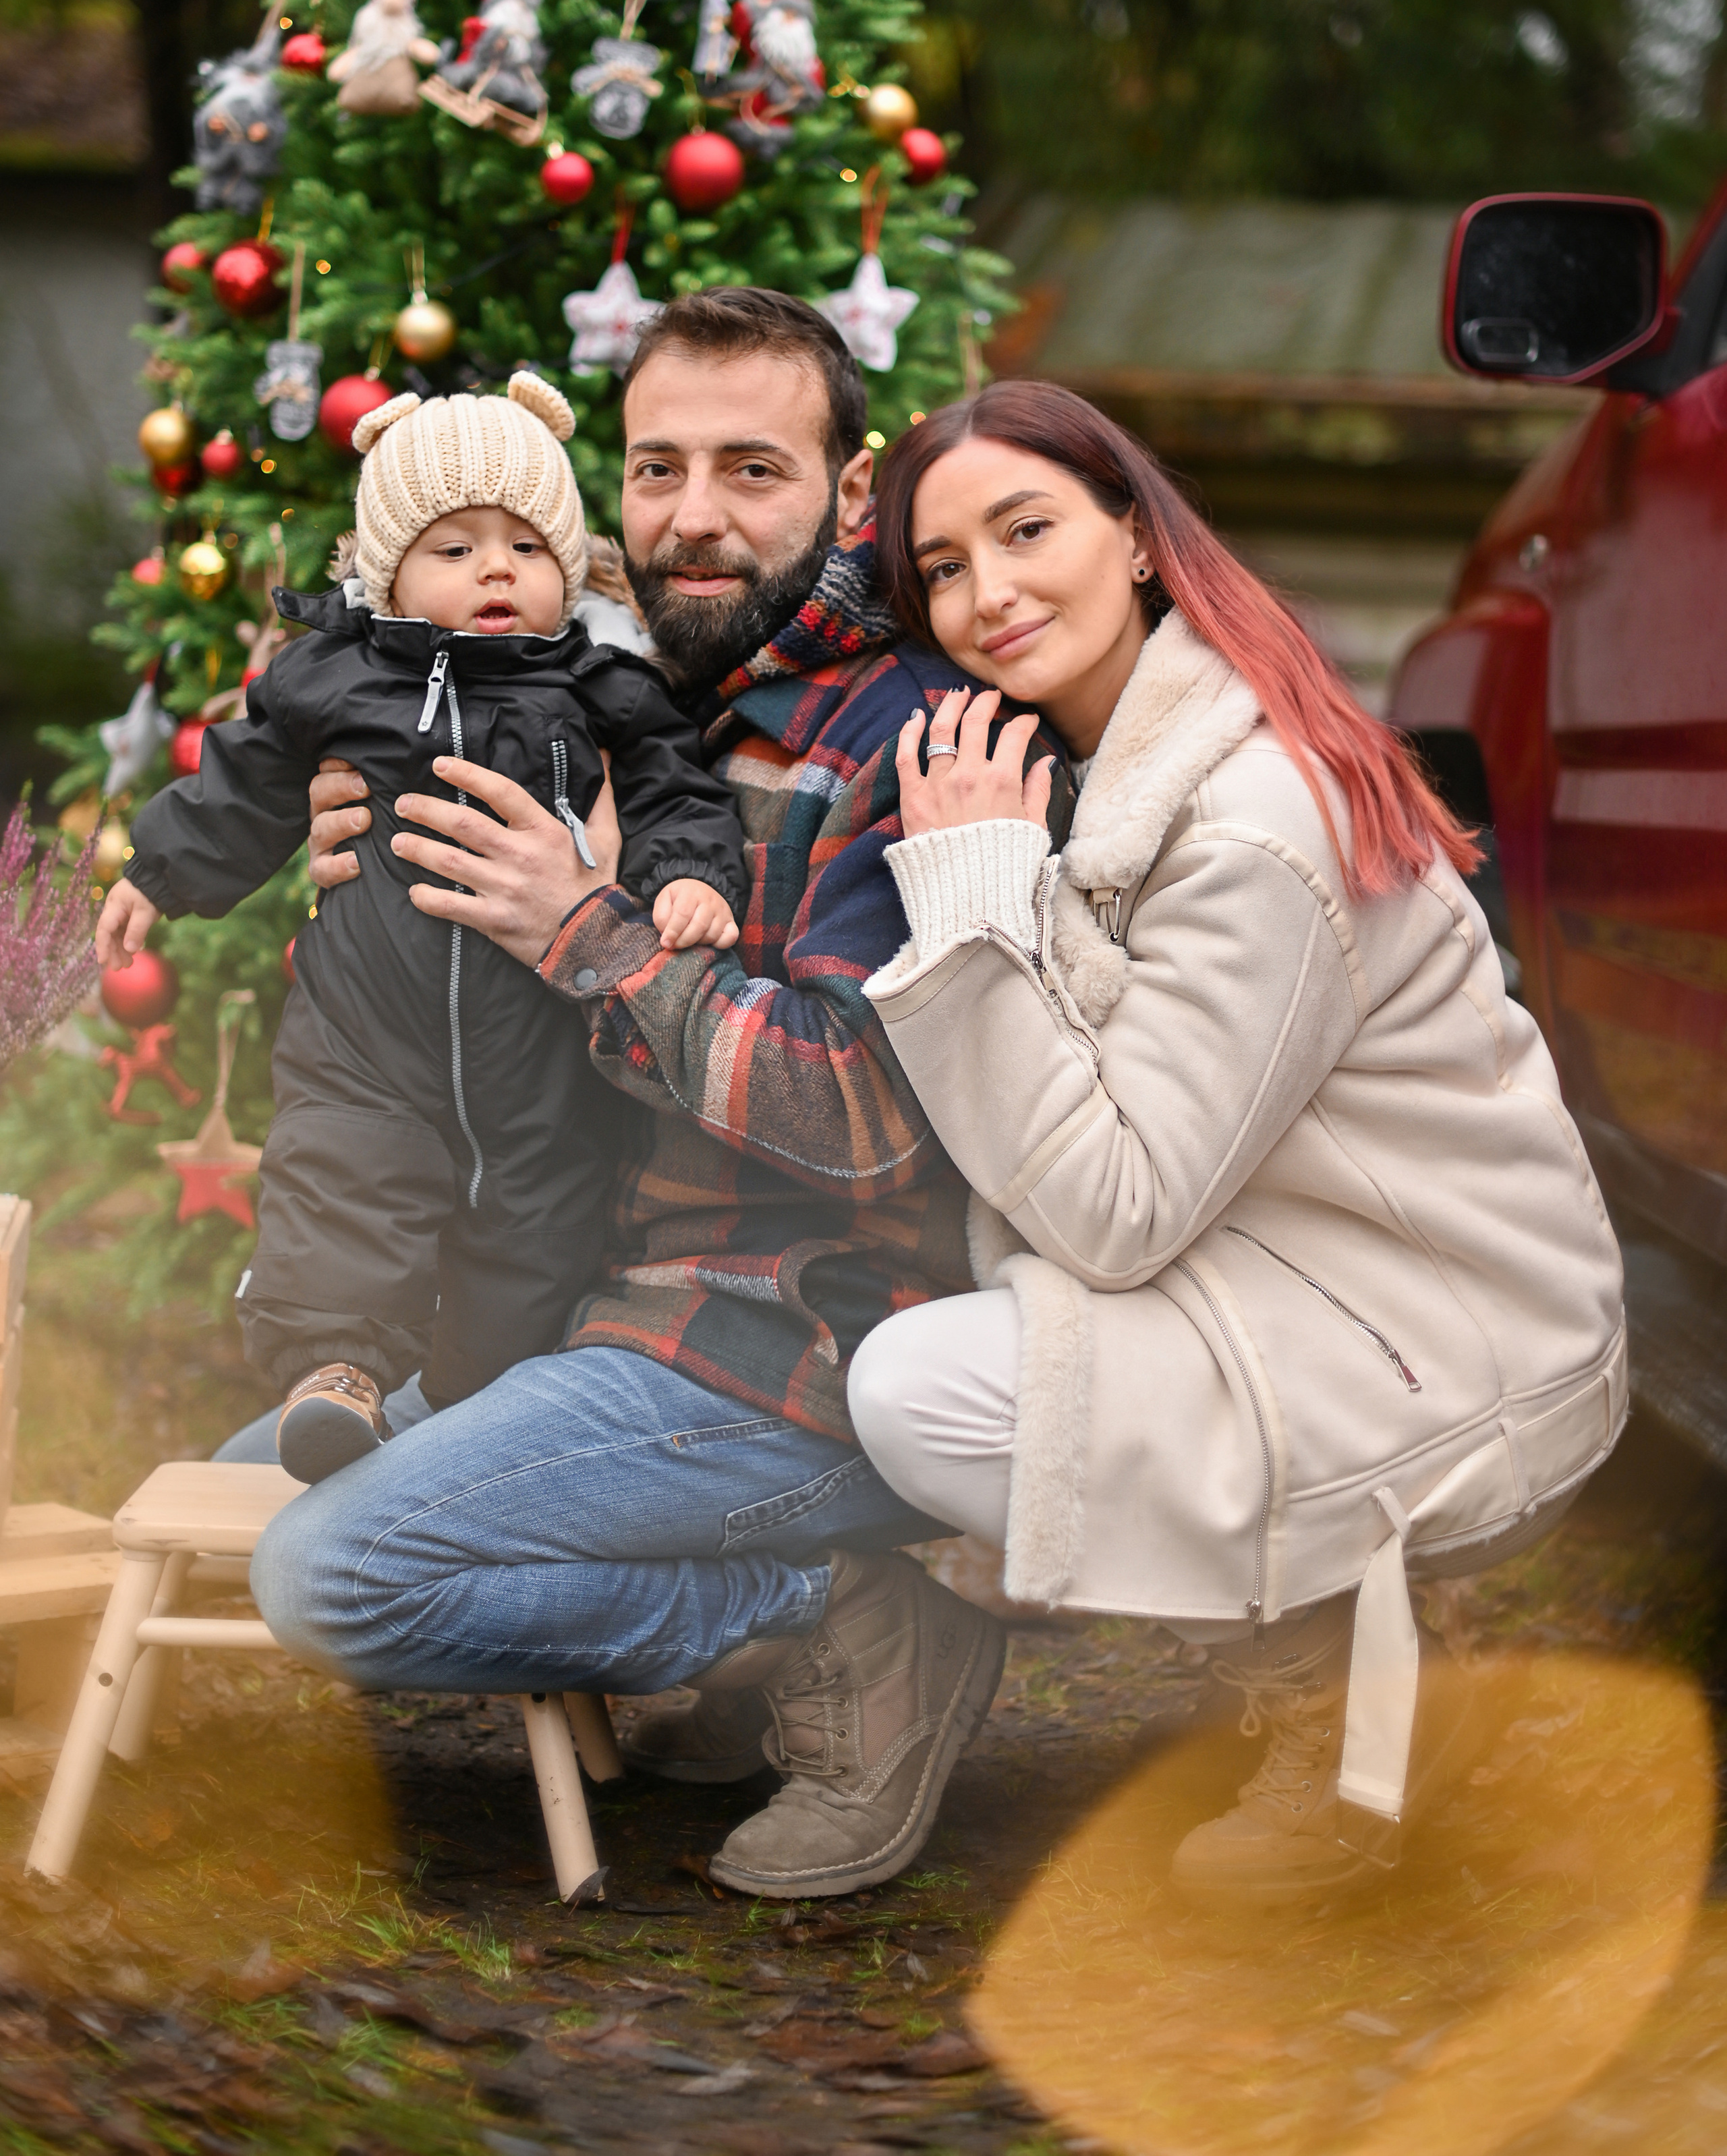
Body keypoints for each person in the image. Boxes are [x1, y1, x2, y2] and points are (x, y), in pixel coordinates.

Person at [250, 291, 1045, 1896]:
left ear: (850, 488)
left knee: (330, 1570)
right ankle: (733, 1622)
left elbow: (875, 1112)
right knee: (254, 1454)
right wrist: (362, 880)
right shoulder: (615, 695)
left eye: (752, 469)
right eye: (655, 466)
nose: (692, 516)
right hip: (594, 1304)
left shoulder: (902, 740)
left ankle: (846, 1621)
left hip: (793, 1343)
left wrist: (587, 932)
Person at [845, 380, 1627, 1904]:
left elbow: (1117, 1207)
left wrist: (967, 900)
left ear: (1134, 536)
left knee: (919, 1391)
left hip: (1437, 1326)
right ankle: (1379, 1659)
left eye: (1025, 530)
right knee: (958, 1331)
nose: (986, 593)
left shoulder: (1251, 815)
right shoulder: (1107, 765)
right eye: (940, 566)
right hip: (1309, 1271)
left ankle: (1338, 1705)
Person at [98, 372, 746, 1484]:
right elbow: (245, 782)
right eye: (456, 548)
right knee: (344, 1179)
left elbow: (673, 788)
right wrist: (158, 872)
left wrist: (690, 873)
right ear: (388, 571)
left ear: (567, 570)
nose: (497, 569)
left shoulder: (603, 689)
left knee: (537, 1236)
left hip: (541, 1056)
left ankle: (473, 1412)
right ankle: (335, 1371)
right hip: (368, 1041)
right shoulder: (335, 679)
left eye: (527, 548)